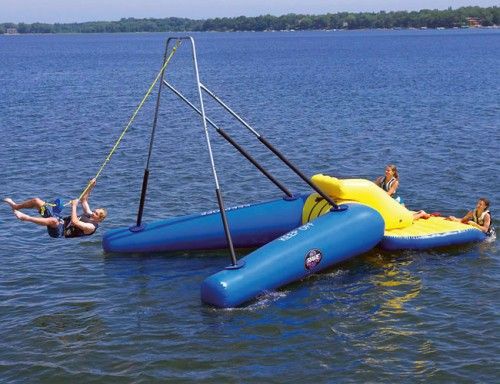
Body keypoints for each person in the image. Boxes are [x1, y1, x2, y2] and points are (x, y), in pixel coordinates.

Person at [3, 178, 107, 238]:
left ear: (100, 219)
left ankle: (24, 218)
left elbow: (75, 222)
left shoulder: (91, 227)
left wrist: (74, 206)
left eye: (96, 213)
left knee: (53, 221)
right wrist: (91, 186)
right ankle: (15, 206)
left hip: (59, 232)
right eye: (95, 211)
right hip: (60, 219)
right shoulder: (89, 214)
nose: (93, 212)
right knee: (37, 201)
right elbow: (84, 200)